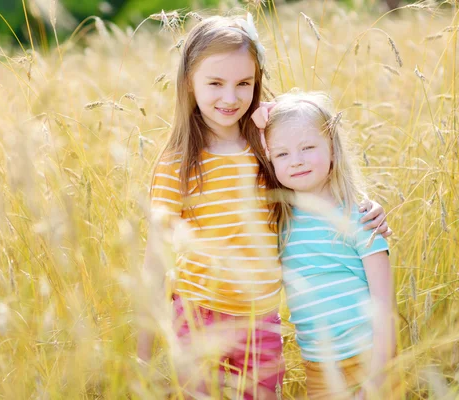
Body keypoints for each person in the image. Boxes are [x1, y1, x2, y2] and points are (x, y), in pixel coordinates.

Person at [137, 14, 391, 399]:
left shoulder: (267, 141)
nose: (230, 97)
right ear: (189, 81)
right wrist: (142, 355)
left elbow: (315, 174)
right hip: (198, 315)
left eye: (244, 83)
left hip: (261, 322)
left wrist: (365, 205)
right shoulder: (178, 162)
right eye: (215, 83)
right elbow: (156, 257)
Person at [252, 91, 396, 399]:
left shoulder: (359, 215)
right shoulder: (280, 220)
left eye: (307, 147)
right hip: (318, 367)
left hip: (369, 360)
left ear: (332, 147)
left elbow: (385, 308)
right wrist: (258, 123)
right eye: (282, 154)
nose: (297, 160)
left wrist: (377, 379)